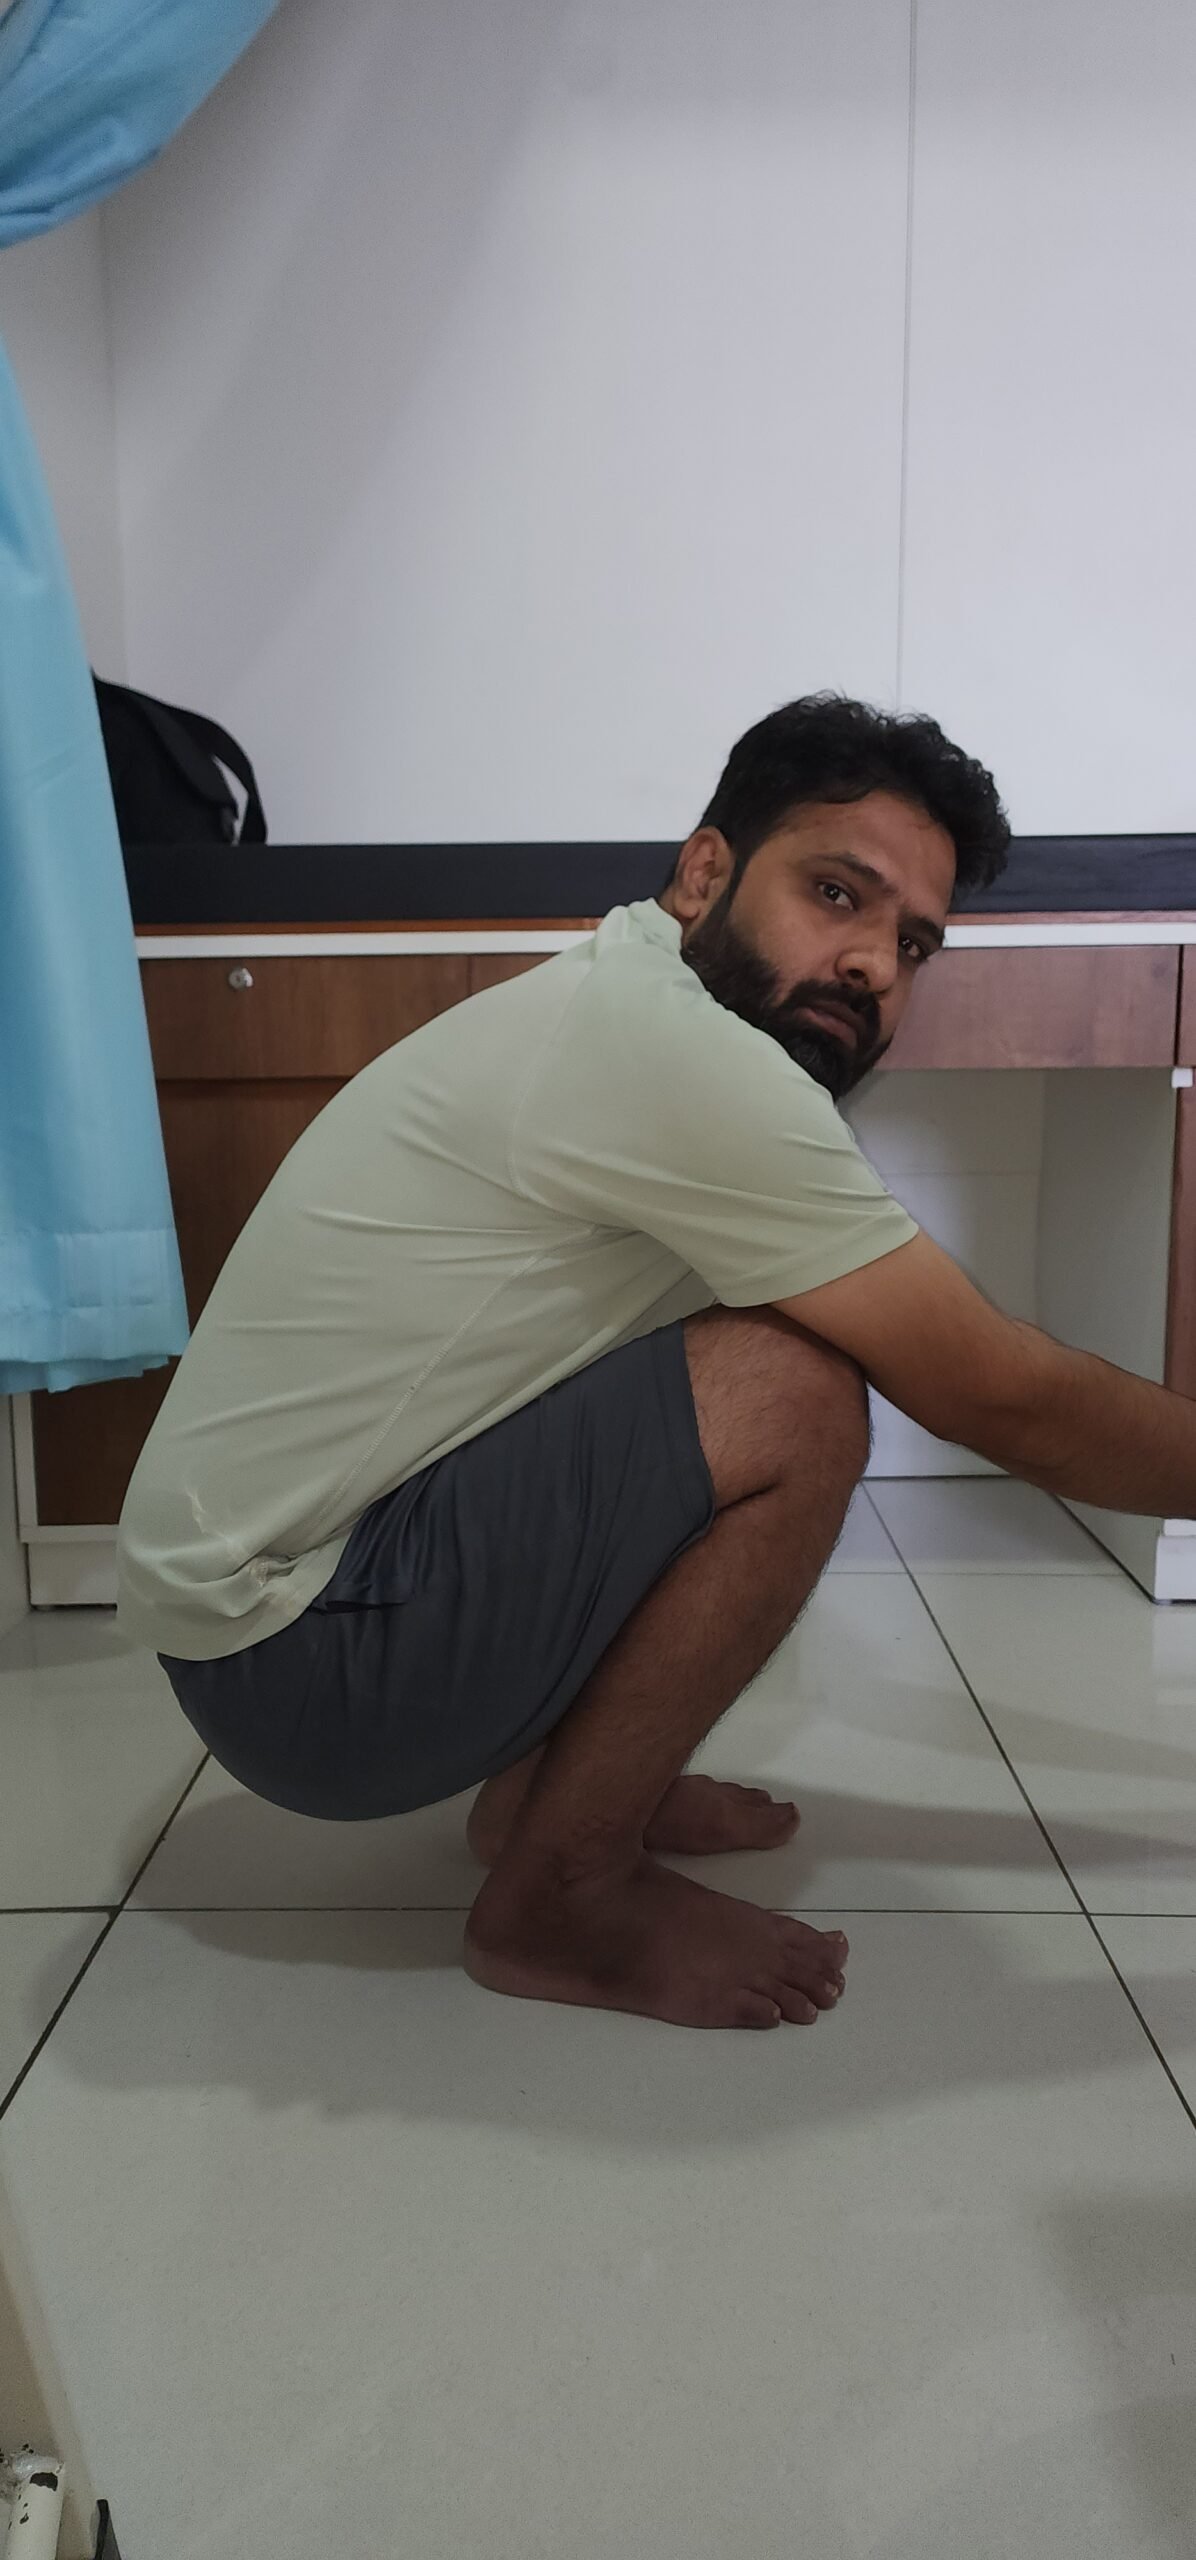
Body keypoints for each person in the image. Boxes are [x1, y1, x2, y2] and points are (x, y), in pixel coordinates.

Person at [117, 692, 1195, 2032]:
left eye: (914, 942)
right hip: (293, 1666)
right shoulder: (674, 1053)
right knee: (793, 1390)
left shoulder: (633, 1002)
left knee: (733, 1351)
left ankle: (550, 1796)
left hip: (276, 1623)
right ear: (704, 873)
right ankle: (562, 1894)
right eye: (837, 894)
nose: (874, 964)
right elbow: (999, 1395)